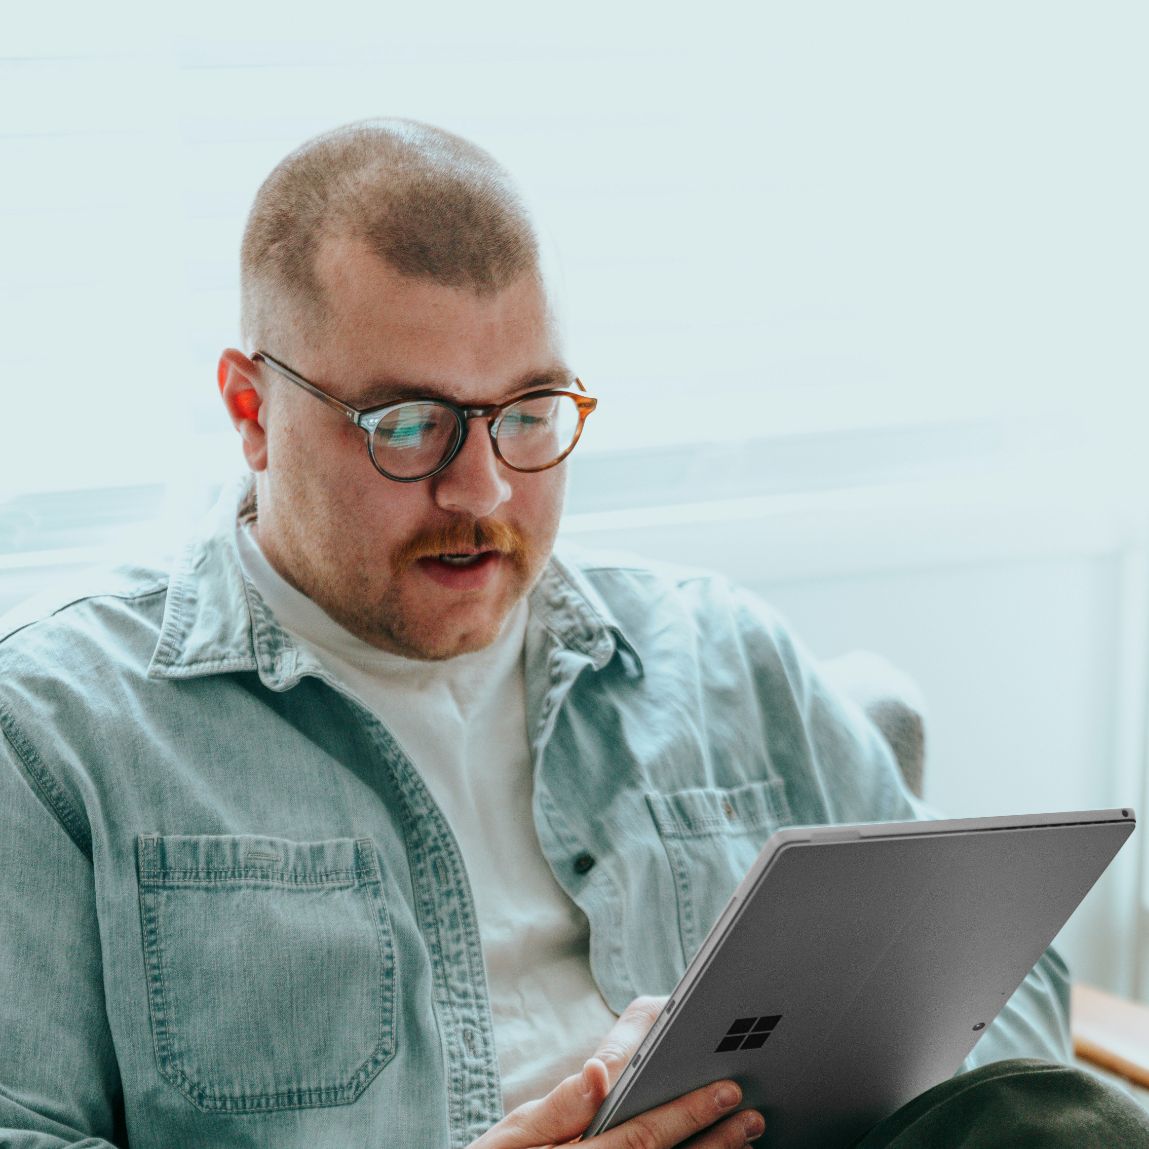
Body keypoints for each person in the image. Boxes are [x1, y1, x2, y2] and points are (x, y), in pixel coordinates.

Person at [0, 119, 1145, 1149]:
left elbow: (1005, 996)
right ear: (253, 413)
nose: (483, 490)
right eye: (409, 426)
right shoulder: (58, 738)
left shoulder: (723, 659)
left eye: (530, 415)